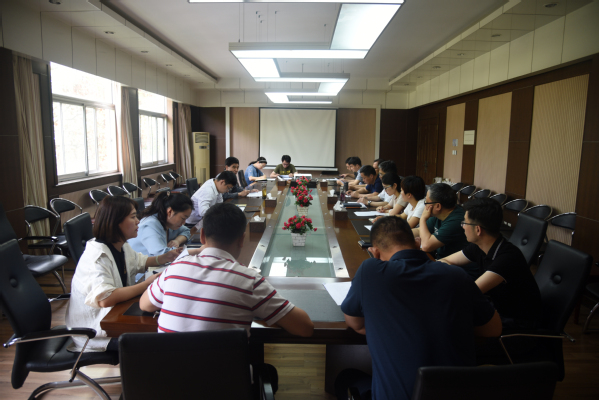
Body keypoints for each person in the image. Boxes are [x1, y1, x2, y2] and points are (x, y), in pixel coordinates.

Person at [140, 202, 314, 394]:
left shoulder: (174, 269)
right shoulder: (249, 280)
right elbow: (304, 328)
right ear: (242, 239)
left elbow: (145, 305)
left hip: (167, 386)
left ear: (202, 236)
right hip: (224, 388)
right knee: (268, 372)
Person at [336, 217, 501, 400]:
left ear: (374, 253)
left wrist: (387, 328)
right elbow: (494, 328)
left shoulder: (370, 271)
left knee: (346, 378)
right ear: (417, 243)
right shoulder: (457, 275)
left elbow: (355, 323)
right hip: (456, 392)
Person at [65, 196, 182, 352]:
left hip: (113, 316)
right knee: (157, 342)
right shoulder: (97, 256)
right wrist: (146, 284)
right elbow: (105, 299)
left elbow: (139, 261)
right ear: (115, 222)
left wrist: (164, 257)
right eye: (133, 217)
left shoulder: (120, 245)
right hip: (96, 332)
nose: (138, 221)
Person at [439, 198, 542, 330]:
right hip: (498, 310)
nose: (462, 226)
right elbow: (445, 261)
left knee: (451, 323)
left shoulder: (507, 258)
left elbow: (470, 293)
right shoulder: (479, 246)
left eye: (464, 222)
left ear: (478, 230)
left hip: (518, 323)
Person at [412, 183, 478, 278]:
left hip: (462, 272)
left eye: (426, 202)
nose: (425, 206)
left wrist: (422, 219)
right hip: (444, 263)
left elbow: (426, 246)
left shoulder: (456, 220)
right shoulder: (439, 214)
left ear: (438, 206)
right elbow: (419, 231)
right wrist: (400, 235)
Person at [128, 191, 194, 256]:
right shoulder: (150, 226)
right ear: (170, 212)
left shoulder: (169, 223)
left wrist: (177, 241)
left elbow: (186, 231)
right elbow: (162, 254)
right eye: (183, 218)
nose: (184, 222)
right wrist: (195, 251)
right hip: (141, 263)